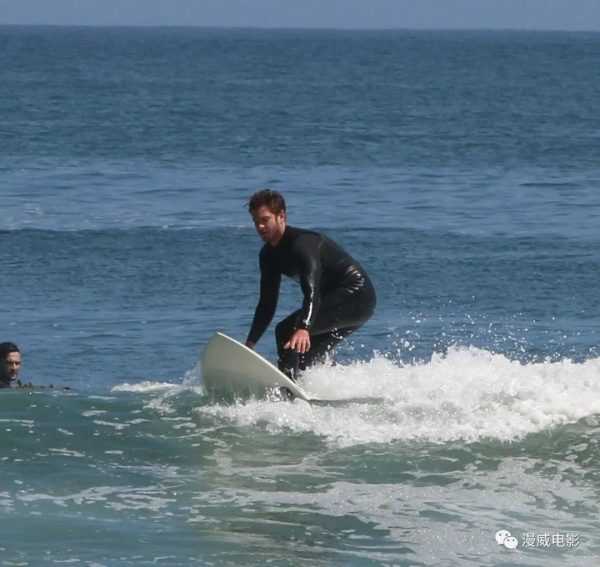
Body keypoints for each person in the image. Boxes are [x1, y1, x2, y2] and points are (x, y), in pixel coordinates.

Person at [245, 189, 376, 381]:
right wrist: (250, 343)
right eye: (256, 221)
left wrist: (304, 327)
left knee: (287, 331)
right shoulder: (268, 255)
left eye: (265, 220)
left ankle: (288, 390)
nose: (260, 226)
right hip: (335, 300)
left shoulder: (303, 244)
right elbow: (267, 303)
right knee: (304, 357)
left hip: (356, 296)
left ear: (281, 216)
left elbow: (311, 289)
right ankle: (324, 387)